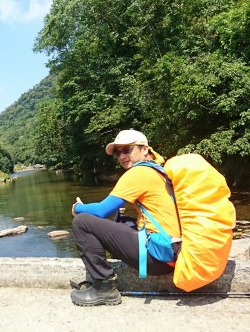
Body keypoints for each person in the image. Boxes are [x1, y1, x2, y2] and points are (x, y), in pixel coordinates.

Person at [70, 129, 180, 306]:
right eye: (117, 152)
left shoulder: (138, 173)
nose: (121, 156)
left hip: (159, 257)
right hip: (172, 250)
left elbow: (101, 210)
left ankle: (104, 288)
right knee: (122, 220)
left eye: (127, 150)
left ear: (144, 149)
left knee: (82, 222)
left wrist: (78, 207)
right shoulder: (158, 169)